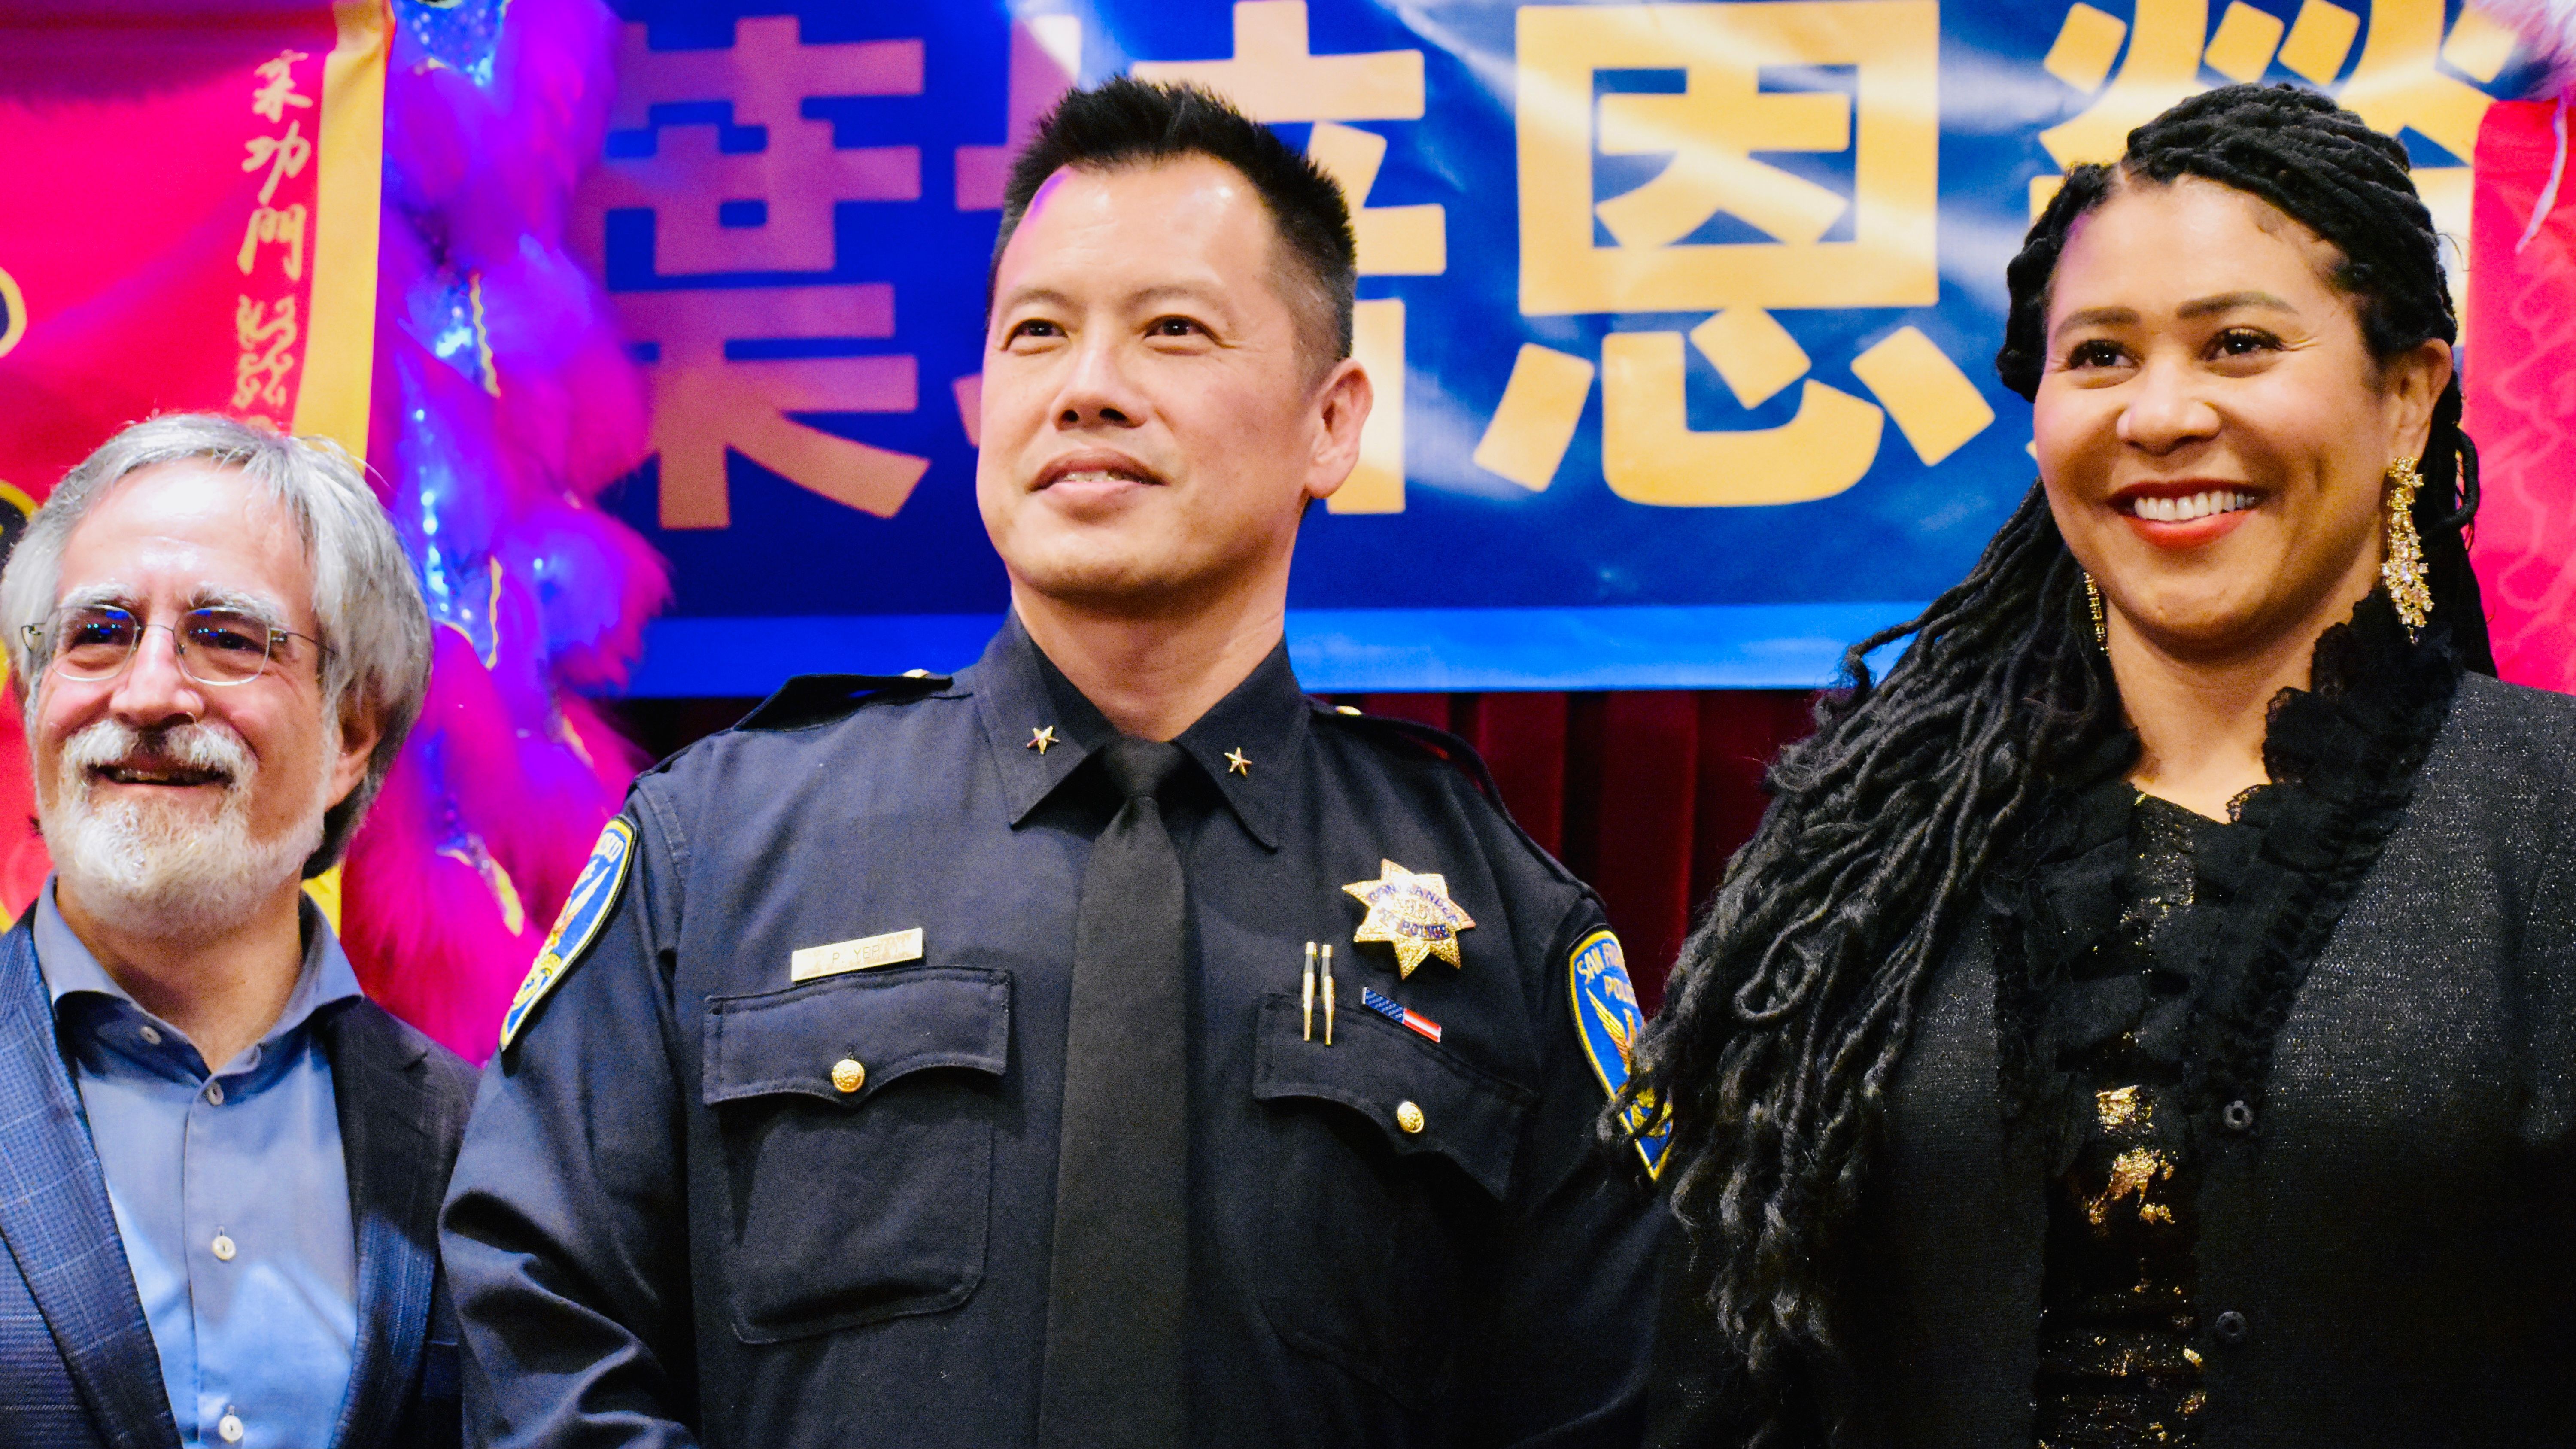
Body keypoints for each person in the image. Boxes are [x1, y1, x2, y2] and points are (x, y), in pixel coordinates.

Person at [442, 78, 1662, 1449]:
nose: (1089, 389)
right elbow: (538, 1327)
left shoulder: (1503, 919)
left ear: (1333, 421)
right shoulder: (718, 845)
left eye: (1173, 331)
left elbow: (1631, 1404)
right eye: (1038, 334)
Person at [1625, 82, 2576, 1448]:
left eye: (2239, 344)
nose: (2161, 414)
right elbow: (1722, 1373)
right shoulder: (1873, 853)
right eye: (2102, 358)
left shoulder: (2546, 819)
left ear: (2409, 398)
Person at [0, 414, 469, 1448]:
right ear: (36, 696)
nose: (152, 691)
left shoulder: (477, 1140)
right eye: (98, 632)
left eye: (226, 636)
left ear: (352, 729)